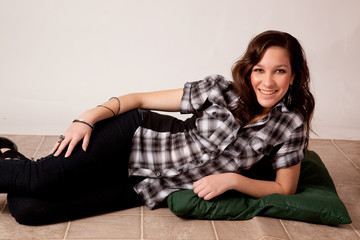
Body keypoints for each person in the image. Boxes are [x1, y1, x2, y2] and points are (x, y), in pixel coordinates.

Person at [0, 30, 315, 225]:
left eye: (280, 71)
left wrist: (232, 180)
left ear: (294, 75)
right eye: (260, 70)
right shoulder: (220, 90)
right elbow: (138, 99)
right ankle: (22, 168)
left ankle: (8, 157)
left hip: (148, 185)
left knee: (31, 210)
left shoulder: (290, 125)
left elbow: (283, 189)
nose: (268, 81)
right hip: (132, 140)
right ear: (249, 71)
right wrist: (87, 117)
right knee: (37, 179)